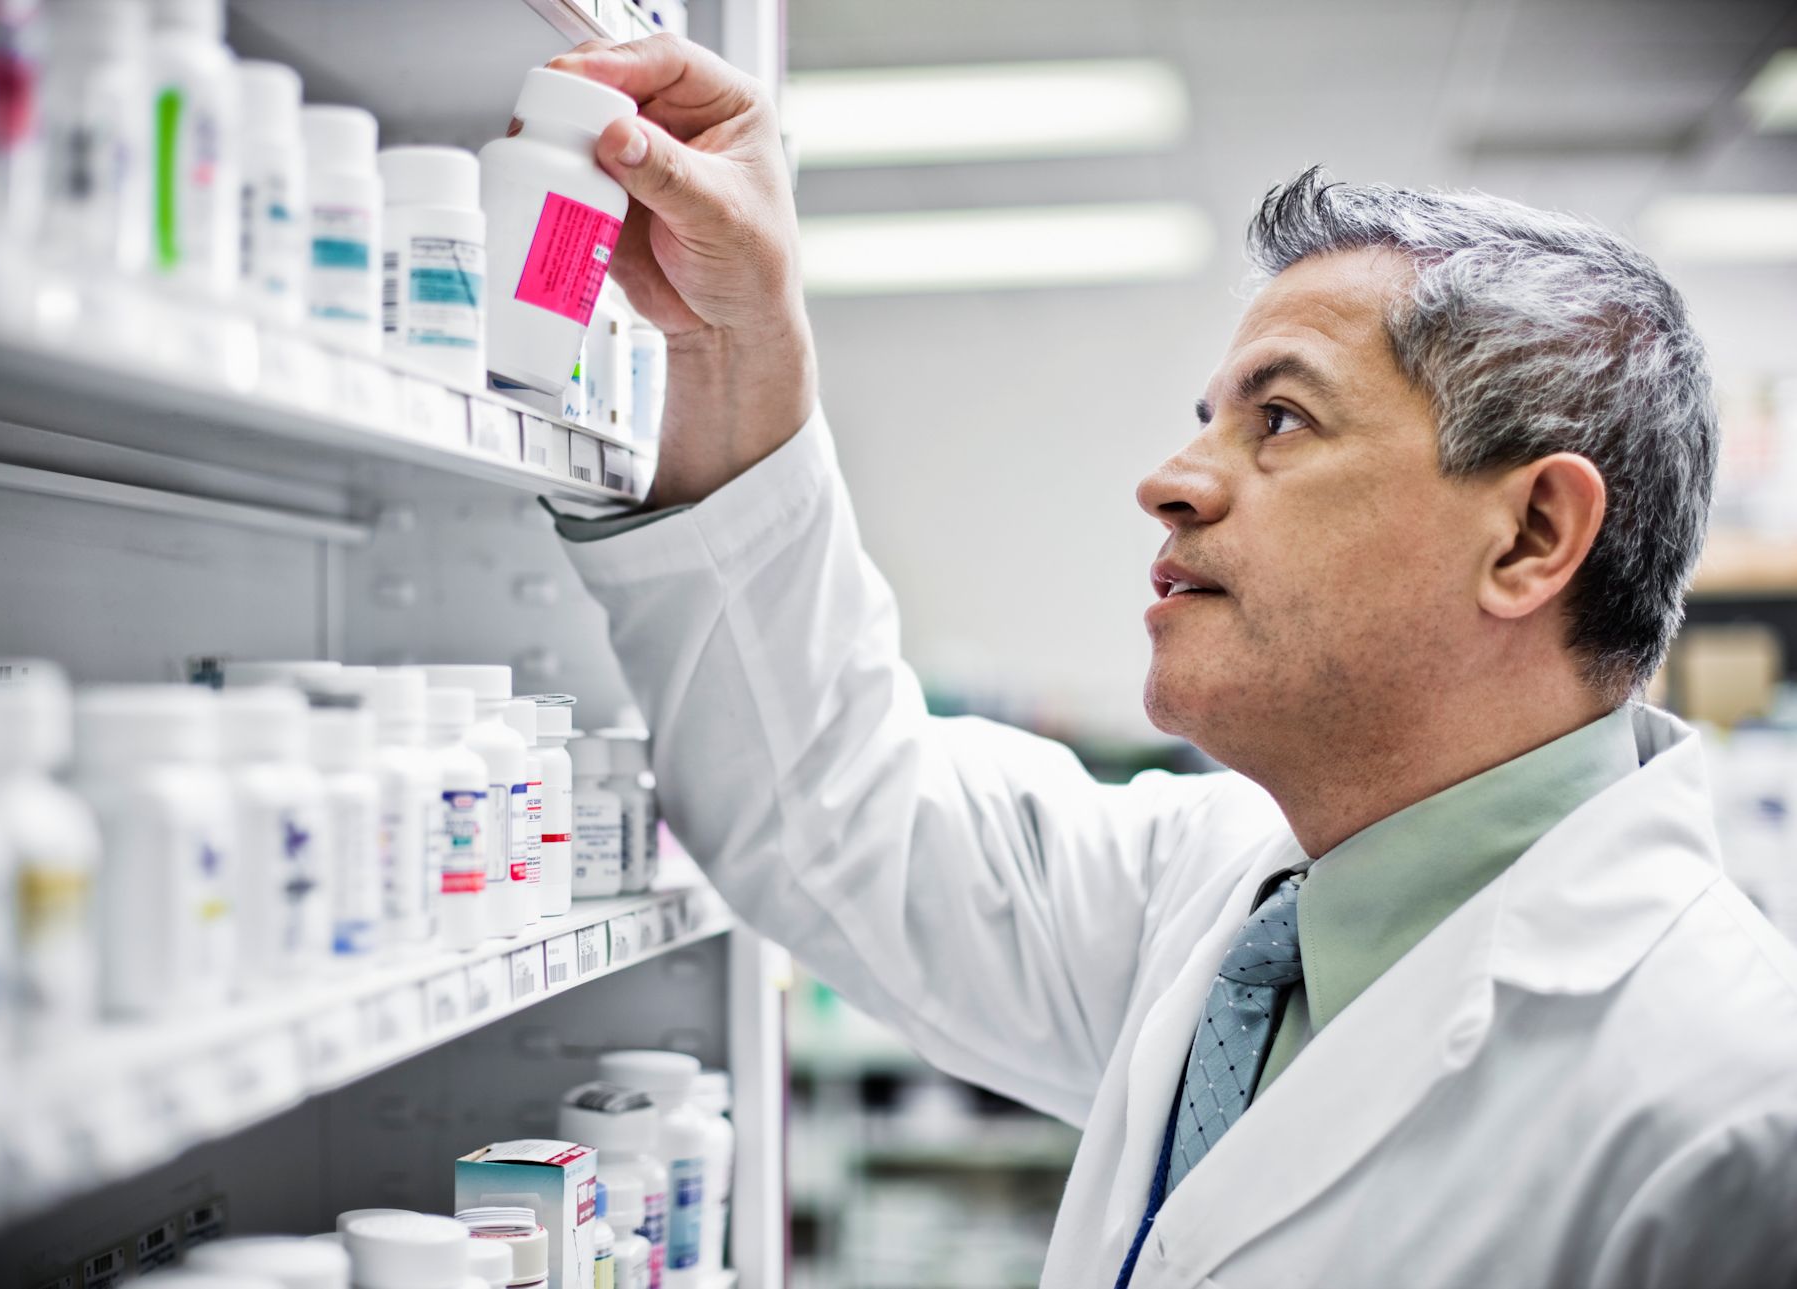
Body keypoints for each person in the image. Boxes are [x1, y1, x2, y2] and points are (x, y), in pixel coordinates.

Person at [540, 33, 1797, 1289]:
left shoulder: (1725, 1107)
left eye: (1281, 419)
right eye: (1211, 421)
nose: (1168, 480)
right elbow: (827, 799)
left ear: (1528, 536)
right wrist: (737, 350)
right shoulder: (1213, 900)